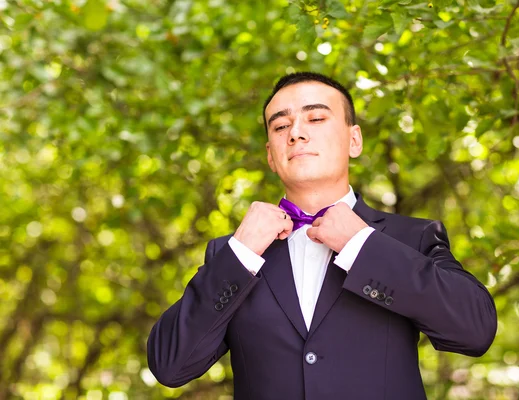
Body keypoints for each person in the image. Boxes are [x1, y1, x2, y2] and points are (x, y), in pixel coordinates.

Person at [147, 72, 497, 399]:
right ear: (271, 155)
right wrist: (241, 253)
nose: (296, 133)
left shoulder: (412, 237)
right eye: (281, 125)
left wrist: (361, 245)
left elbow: (475, 331)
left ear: (354, 140)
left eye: (315, 118)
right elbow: (170, 365)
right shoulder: (232, 254)